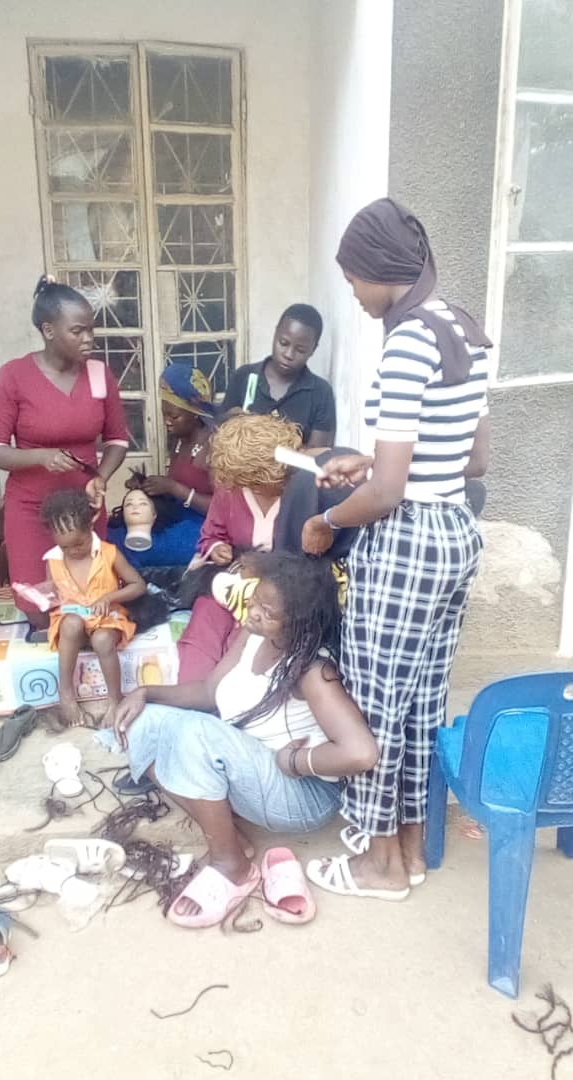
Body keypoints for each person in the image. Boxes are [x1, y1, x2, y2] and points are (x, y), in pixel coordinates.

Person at [302, 198, 491, 901]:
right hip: (452, 536)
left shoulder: (407, 339)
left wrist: (328, 519)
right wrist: (368, 468)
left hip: (406, 539)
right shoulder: (461, 330)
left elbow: (384, 497)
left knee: (375, 702)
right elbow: (469, 459)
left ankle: (378, 866)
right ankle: (410, 848)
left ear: (379, 271)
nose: (352, 293)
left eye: (352, 278)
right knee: (418, 701)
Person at [112, 552, 379, 928]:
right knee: (142, 724)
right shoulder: (251, 636)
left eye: (268, 612)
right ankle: (229, 836)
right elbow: (208, 693)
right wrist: (144, 692)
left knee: (196, 733)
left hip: (300, 794)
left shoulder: (313, 671)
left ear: (299, 623)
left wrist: (295, 763)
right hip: (251, 773)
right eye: (256, 602)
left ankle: (233, 866)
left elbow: (361, 753)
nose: (254, 613)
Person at [0, 276, 129, 626]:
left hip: (85, 511)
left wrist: (101, 478)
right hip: (32, 509)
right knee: (41, 613)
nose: (89, 339)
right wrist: (40, 457)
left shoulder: (98, 374)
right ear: (48, 330)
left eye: (91, 330)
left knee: (90, 605)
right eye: (77, 331)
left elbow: (117, 441)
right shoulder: (14, 377)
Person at [176, 412, 303, 682]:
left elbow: (312, 559)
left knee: (243, 640)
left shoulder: (303, 493)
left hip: (282, 593)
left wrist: (265, 566)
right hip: (232, 580)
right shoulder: (230, 490)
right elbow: (210, 535)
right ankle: (191, 694)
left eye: (255, 480)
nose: (249, 487)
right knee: (205, 622)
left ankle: (227, 697)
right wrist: (217, 546)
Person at [41, 489, 146, 728]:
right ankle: (66, 694)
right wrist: (41, 596)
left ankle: (115, 698)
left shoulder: (109, 553)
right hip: (74, 622)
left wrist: (109, 597)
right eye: (66, 547)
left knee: (101, 640)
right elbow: (53, 595)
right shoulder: (53, 559)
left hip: (108, 619)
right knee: (69, 623)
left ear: (91, 526)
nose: (74, 551)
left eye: (79, 543)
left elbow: (138, 585)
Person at [108, 363, 214, 568]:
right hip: (177, 515)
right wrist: (147, 485)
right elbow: (176, 485)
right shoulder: (182, 439)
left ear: (195, 413)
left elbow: (224, 509)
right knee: (113, 534)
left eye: (174, 416)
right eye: (164, 414)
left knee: (141, 548)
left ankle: (141, 592)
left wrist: (174, 488)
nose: (167, 422)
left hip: (203, 526)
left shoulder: (214, 446)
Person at [221, 304, 336, 447]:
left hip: (297, 470)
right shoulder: (244, 377)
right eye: (283, 343)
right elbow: (219, 434)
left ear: (313, 349)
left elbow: (320, 456)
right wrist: (230, 419)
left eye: (300, 350)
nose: (288, 355)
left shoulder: (321, 393)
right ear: (275, 333)